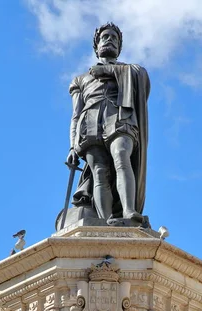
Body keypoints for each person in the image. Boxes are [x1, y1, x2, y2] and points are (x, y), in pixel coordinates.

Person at [66, 22, 150, 225]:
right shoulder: (80, 79)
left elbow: (143, 81)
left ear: (119, 46)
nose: (109, 39)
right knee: (100, 172)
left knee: (122, 156)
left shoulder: (130, 70)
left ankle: (129, 211)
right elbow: (76, 115)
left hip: (120, 117)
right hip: (90, 122)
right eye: (105, 37)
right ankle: (104, 221)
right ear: (97, 46)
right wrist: (71, 145)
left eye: (114, 37)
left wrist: (110, 71)